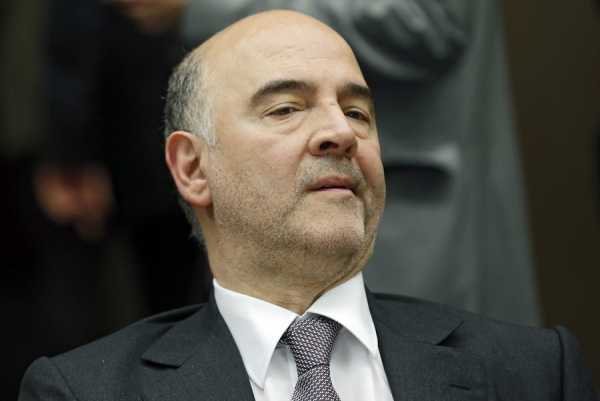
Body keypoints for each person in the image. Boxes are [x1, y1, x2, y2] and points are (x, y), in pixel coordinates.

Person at [19, 10, 596, 401]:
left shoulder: (535, 371)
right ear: (193, 168)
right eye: (286, 109)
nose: (340, 133)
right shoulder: (83, 391)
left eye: (357, 112)